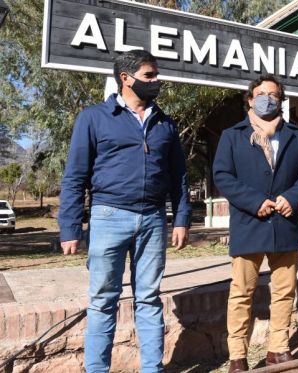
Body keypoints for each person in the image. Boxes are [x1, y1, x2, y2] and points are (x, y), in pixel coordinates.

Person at [58, 50, 191, 372]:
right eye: (149, 76)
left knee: (149, 298)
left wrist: (182, 219)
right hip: (108, 216)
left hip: (153, 219)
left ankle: (151, 369)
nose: (156, 81)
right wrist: (70, 227)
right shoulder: (94, 118)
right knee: (103, 301)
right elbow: (75, 176)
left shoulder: (166, 123)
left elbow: (179, 177)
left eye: (156, 75)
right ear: (125, 78)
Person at [213, 74, 298, 372]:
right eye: (261, 93)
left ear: (281, 99)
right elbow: (222, 176)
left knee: (284, 290)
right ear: (249, 99)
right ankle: (238, 356)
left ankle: (278, 349)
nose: (267, 98)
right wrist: (253, 201)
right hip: (249, 222)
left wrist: (293, 197)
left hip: (284, 221)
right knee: (242, 292)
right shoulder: (232, 135)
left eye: (273, 94)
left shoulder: (296, 135)